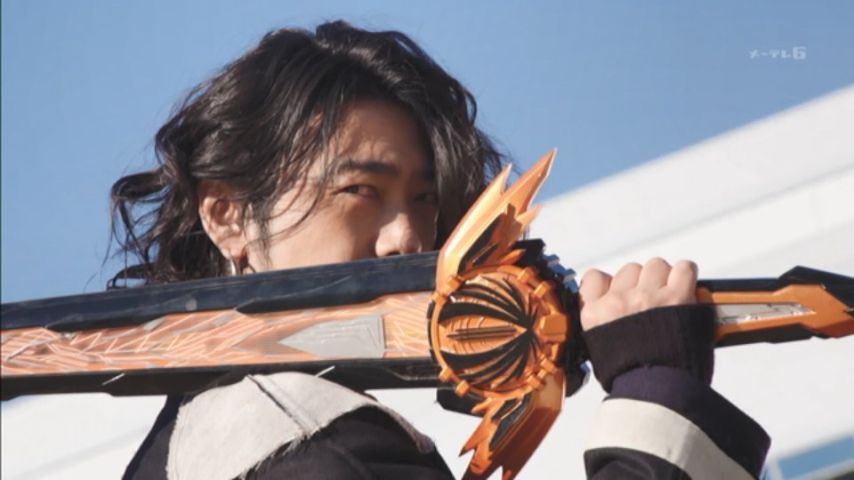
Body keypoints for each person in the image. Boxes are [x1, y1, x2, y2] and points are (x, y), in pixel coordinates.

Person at [113, 21, 769, 479]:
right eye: (360, 190)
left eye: (424, 200)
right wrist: (660, 393)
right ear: (227, 215)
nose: (407, 237)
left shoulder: (190, 444)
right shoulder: (310, 446)